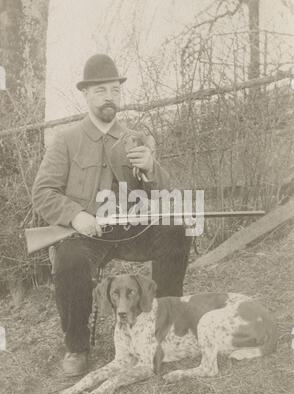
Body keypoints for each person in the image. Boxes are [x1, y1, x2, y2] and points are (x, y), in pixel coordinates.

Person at [32, 54, 191, 376]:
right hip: (87, 234)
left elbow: (162, 197)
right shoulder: (66, 140)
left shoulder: (136, 138)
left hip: (133, 232)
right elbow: (43, 192)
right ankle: (77, 347)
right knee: (71, 261)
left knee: (177, 226)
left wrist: (151, 169)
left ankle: (163, 328)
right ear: (87, 95)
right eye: (101, 90)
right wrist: (75, 215)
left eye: (115, 90)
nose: (110, 97)